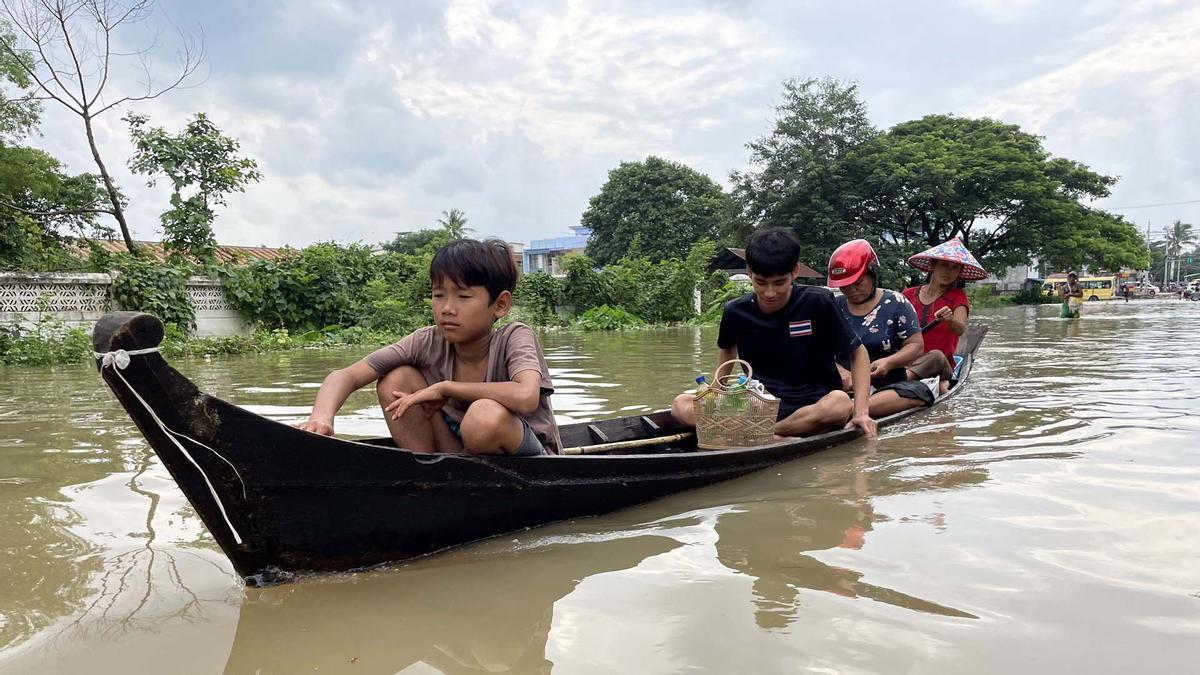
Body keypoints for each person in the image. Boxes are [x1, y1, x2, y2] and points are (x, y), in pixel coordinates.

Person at [298, 238, 561, 455]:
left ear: (500, 305)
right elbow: (347, 375)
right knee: (396, 378)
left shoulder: (514, 336)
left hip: (528, 456)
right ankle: (430, 472)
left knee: (484, 417)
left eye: (463, 296)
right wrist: (322, 418)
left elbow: (526, 397)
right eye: (438, 295)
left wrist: (445, 388)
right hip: (459, 453)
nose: (447, 308)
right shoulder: (426, 340)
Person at [671, 227, 877, 439]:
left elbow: (858, 353)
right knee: (681, 405)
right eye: (760, 283)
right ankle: (762, 433)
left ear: (794, 272)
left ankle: (763, 434)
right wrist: (714, 399)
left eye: (779, 283)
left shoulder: (818, 302)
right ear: (749, 272)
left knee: (840, 404)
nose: (770, 293)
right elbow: (727, 352)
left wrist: (861, 412)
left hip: (811, 405)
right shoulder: (735, 311)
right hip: (758, 404)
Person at [827, 240, 936, 417]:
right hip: (841, 389)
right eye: (844, 286)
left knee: (918, 391)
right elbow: (817, 350)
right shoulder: (833, 306)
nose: (851, 290)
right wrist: (843, 373)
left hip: (886, 387)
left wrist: (889, 362)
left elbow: (916, 346)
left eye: (858, 283)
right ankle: (844, 409)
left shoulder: (896, 303)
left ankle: (849, 410)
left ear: (872, 275)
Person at [901, 237, 988, 393]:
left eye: (955, 267)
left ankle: (898, 382)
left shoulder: (957, 297)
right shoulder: (908, 295)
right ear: (933, 265)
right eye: (943, 265)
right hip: (905, 361)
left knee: (936, 356)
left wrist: (950, 320)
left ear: (959, 273)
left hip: (939, 366)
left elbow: (960, 329)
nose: (948, 271)